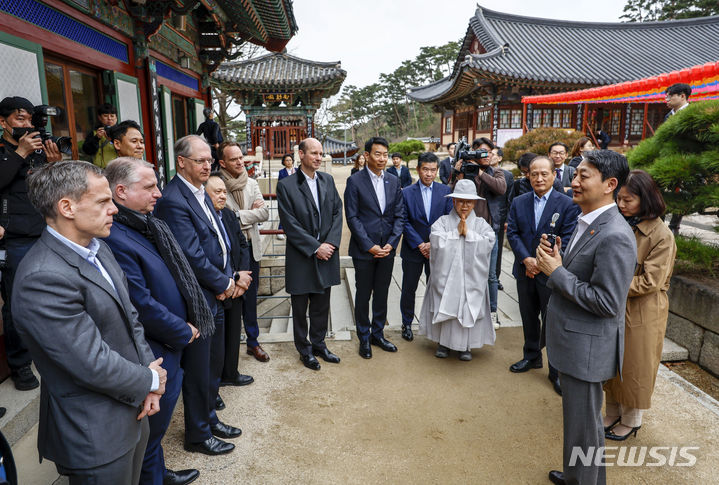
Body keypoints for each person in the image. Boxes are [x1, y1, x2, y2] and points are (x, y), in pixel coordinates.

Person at [14, 160, 166, 484]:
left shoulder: (98, 247)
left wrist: (149, 378)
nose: (114, 209)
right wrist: (149, 381)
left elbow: (131, 318)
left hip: (135, 407)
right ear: (67, 207)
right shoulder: (42, 277)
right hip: (96, 433)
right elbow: (90, 362)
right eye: (103, 201)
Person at [537, 150, 636, 485]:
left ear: (610, 184)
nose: (574, 181)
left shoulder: (615, 235)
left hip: (587, 346)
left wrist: (557, 272)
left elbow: (607, 302)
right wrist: (561, 260)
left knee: (584, 425)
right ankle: (578, 476)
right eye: (575, 173)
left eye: (583, 175)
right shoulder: (590, 220)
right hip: (576, 341)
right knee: (583, 424)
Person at [104, 157, 203, 485]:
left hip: (169, 342)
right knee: (147, 432)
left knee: (153, 433)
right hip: (156, 345)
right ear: (121, 191)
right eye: (149, 187)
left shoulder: (144, 224)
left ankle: (158, 474)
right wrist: (182, 329)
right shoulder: (115, 236)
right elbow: (140, 303)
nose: (159, 193)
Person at [154, 135, 244, 456]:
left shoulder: (200, 192)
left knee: (213, 364)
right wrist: (224, 283)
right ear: (181, 162)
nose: (208, 166)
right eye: (200, 161)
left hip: (216, 292)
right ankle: (197, 434)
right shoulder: (173, 199)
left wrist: (228, 277)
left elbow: (217, 240)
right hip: (198, 298)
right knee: (198, 369)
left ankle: (209, 418)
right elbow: (191, 256)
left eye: (210, 161)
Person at [603, 170, 677, 441]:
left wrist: (609, 284)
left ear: (645, 199)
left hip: (644, 309)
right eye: (619, 199)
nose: (621, 205)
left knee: (635, 366)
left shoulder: (661, 234)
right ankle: (611, 412)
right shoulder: (623, 223)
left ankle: (632, 420)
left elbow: (651, 281)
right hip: (618, 304)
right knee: (613, 362)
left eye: (628, 200)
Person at [0, 96, 62, 391]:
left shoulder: (38, 151)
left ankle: (48, 350)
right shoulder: (6, 152)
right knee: (17, 304)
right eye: (19, 119)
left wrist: (53, 166)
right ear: (3, 122)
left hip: (46, 234)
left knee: (52, 296)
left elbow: (52, 190)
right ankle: (20, 363)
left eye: (29, 120)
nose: (26, 126)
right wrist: (20, 153)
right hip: (14, 240)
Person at [506, 156, 580, 396]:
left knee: (552, 321)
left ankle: (556, 370)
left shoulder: (567, 204)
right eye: (534, 174)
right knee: (528, 315)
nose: (538, 178)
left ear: (553, 175)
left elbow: (567, 238)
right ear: (528, 175)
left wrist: (541, 262)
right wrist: (526, 259)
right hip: (524, 269)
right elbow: (513, 232)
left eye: (544, 174)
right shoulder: (518, 201)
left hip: (550, 273)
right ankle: (531, 356)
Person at [277, 138, 343, 370]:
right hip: (301, 255)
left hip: (328, 252)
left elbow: (337, 212)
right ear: (301, 155)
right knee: (300, 307)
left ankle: (319, 344)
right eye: (313, 153)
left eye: (321, 153)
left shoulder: (327, 180)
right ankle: (304, 349)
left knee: (321, 304)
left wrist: (330, 244)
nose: (318, 157)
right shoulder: (287, 185)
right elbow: (290, 223)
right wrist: (316, 247)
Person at [418, 179, 496, 360]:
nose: (464, 205)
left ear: (475, 203)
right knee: (447, 302)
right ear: (453, 201)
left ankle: (465, 346)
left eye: (469, 201)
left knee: (468, 306)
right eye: (460, 200)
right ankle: (443, 343)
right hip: (447, 277)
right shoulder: (443, 222)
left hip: (471, 278)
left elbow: (489, 242)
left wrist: (468, 233)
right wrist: (455, 233)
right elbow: (435, 240)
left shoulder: (481, 224)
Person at [345, 136, 405, 359]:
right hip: (364, 250)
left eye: (385, 154)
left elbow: (399, 215)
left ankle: (378, 334)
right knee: (363, 294)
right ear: (367, 155)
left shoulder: (393, 180)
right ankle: (364, 336)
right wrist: (369, 246)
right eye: (378, 154)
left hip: (387, 249)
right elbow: (352, 217)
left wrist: (391, 243)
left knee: (382, 292)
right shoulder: (355, 181)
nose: (382, 159)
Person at [217, 141, 270, 362]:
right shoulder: (216, 184)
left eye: (241, 157)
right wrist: (249, 214)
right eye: (234, 159)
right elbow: (221, 219)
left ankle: (253, 342)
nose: (240, 162)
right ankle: (228, 348)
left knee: (250, 297)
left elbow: (264, 213)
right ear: (222, 163)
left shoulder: (252, 183)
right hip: (228, 251)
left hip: (250, 247)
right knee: (230, 297)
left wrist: (237, 216)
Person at [451, 136, 507, 328]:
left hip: (489, 232)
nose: (486, 155)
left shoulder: (496, 172)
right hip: (466, 229)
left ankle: (492, 312)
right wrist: (458, 173)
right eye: (482, 152)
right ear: (473, 153)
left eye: (489, 152)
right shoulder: (466, 172)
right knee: (466, 273)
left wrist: (481, 172)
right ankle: (463, 309)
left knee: (491, 275)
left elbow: (500, 189)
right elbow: (453, 194)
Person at [204, 174, 254, 388]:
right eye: (217, 192)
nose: (223, 196)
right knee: (215, 341)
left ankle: (230, 373)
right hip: (216, 286)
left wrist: (242, 277)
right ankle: (213, 388)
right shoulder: (203, 218)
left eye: (224, 192)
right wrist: (230, 280)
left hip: (237, 283)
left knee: (234, 332)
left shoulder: (229, 215)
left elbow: (243, 245)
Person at [399, 152, 452, 342]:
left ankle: (435, 323)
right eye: (425, 169)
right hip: (413, 249)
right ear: (418, 169)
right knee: (409, 288)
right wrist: (420, 243)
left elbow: (448, 220)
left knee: (436, 287)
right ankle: (406, 323)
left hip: (437, 250)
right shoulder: (406, 192)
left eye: (432, 170)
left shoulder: (445, 191)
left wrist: (433, 243)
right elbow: (403, 221)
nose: (429, 174)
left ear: (437, 170)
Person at [663, 83, 692, 235]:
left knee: (682, 194)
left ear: (682, 96)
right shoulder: (668, 116)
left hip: (687, 162)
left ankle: (675, 226)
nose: (666, 99)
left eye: (670, 96)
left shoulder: (693, 114)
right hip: (668, 161)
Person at [490, 147, 514, 292]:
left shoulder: (507, 175)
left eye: (493, 154)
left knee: (497, 251)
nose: (489, 156)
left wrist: (507, 219)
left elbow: (509, 198)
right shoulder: (481, 172)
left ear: (499, 158)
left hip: (499, 217)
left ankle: (496, 278)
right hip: (484, 215)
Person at [80, 103, 118, 168]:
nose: (109, 118)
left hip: (116, 169)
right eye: (105, 116)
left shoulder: (121, 132)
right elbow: (87, 151)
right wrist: (96, 138)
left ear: (116, 118)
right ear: (99, 118)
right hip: (98, 170)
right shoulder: (94, 132)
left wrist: (111, 139)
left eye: (112, 116)